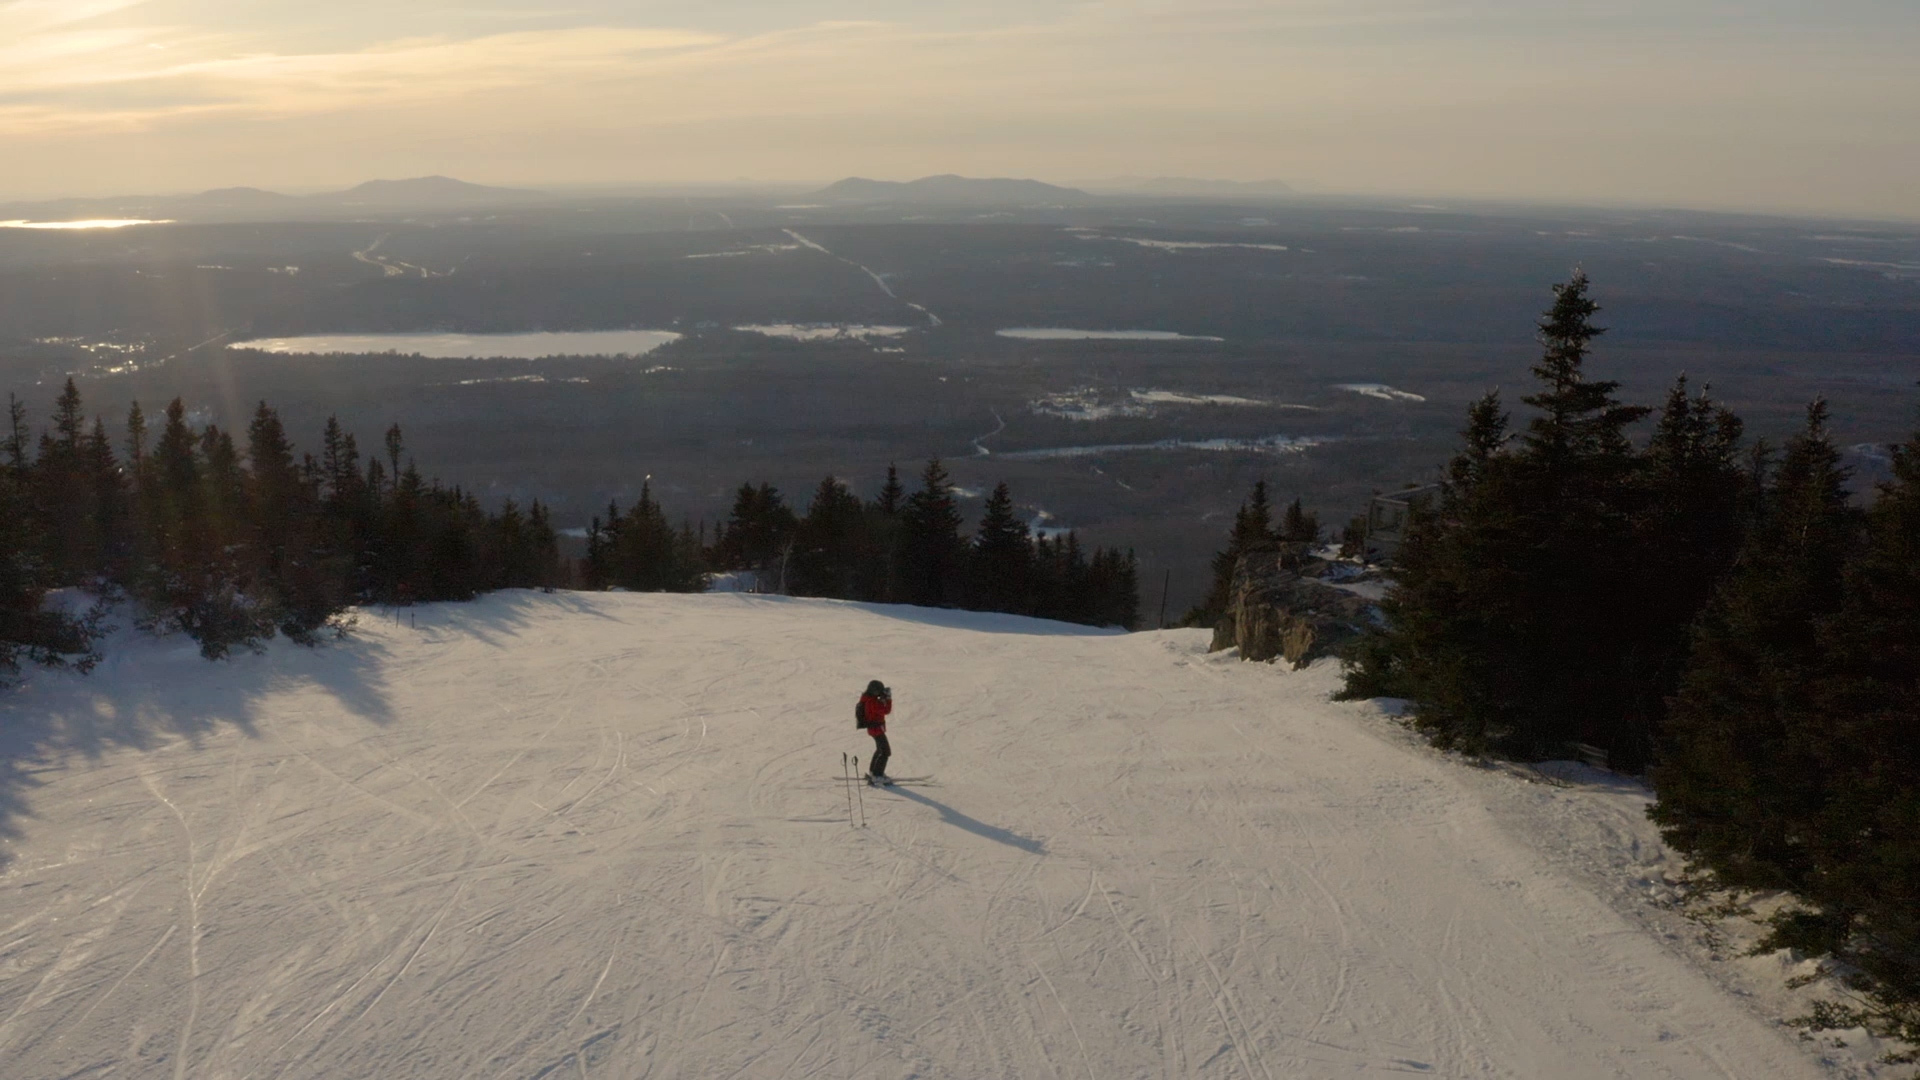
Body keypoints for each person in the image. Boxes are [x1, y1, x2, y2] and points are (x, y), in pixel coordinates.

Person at [859, 679, 894, 785]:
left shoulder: (868, 698)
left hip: (874, 729)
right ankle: (877, 776)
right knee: (886, 752)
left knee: (880, 750)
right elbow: (886, 710)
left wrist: (882, 698)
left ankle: (873, 772)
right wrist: (888, 699)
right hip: (876, 729)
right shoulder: (872, 702)